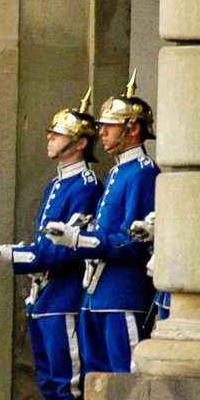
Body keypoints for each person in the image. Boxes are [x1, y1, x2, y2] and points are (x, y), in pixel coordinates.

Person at [0, 92, 101, 400]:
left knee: (69, 384)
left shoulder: (85, 185)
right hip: (45, 294)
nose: (50, 139)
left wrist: (18, 255)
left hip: (65, 293)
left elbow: (65, 247)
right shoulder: (57, 183)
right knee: (50, 384)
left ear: (80, 142)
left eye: (59, 134)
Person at [65, 76, 158, 378]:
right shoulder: (119, 172)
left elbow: (135, 240)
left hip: (123, 293)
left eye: (111, 125)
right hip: (98, 292)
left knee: (126, 375)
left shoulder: (143, 172)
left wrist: (85, 241)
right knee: (97, 377)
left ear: (133, 129)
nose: (101, 132)